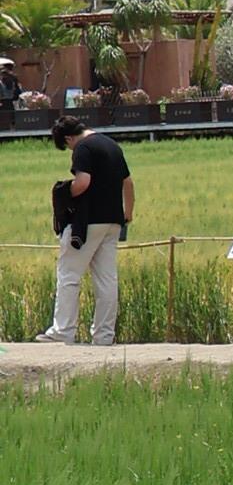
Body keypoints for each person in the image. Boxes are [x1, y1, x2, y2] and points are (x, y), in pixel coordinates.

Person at [41, 99, 131, 346]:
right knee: (106, 279)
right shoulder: (112, 145)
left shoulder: (83, 148)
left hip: (88, 222)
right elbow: (128, 183)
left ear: (68, 139)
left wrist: (64, 192)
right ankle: (104, 336)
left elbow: (82, 184)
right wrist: (127, 213)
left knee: (69, 273)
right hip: (114, 221)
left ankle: (62, 332)